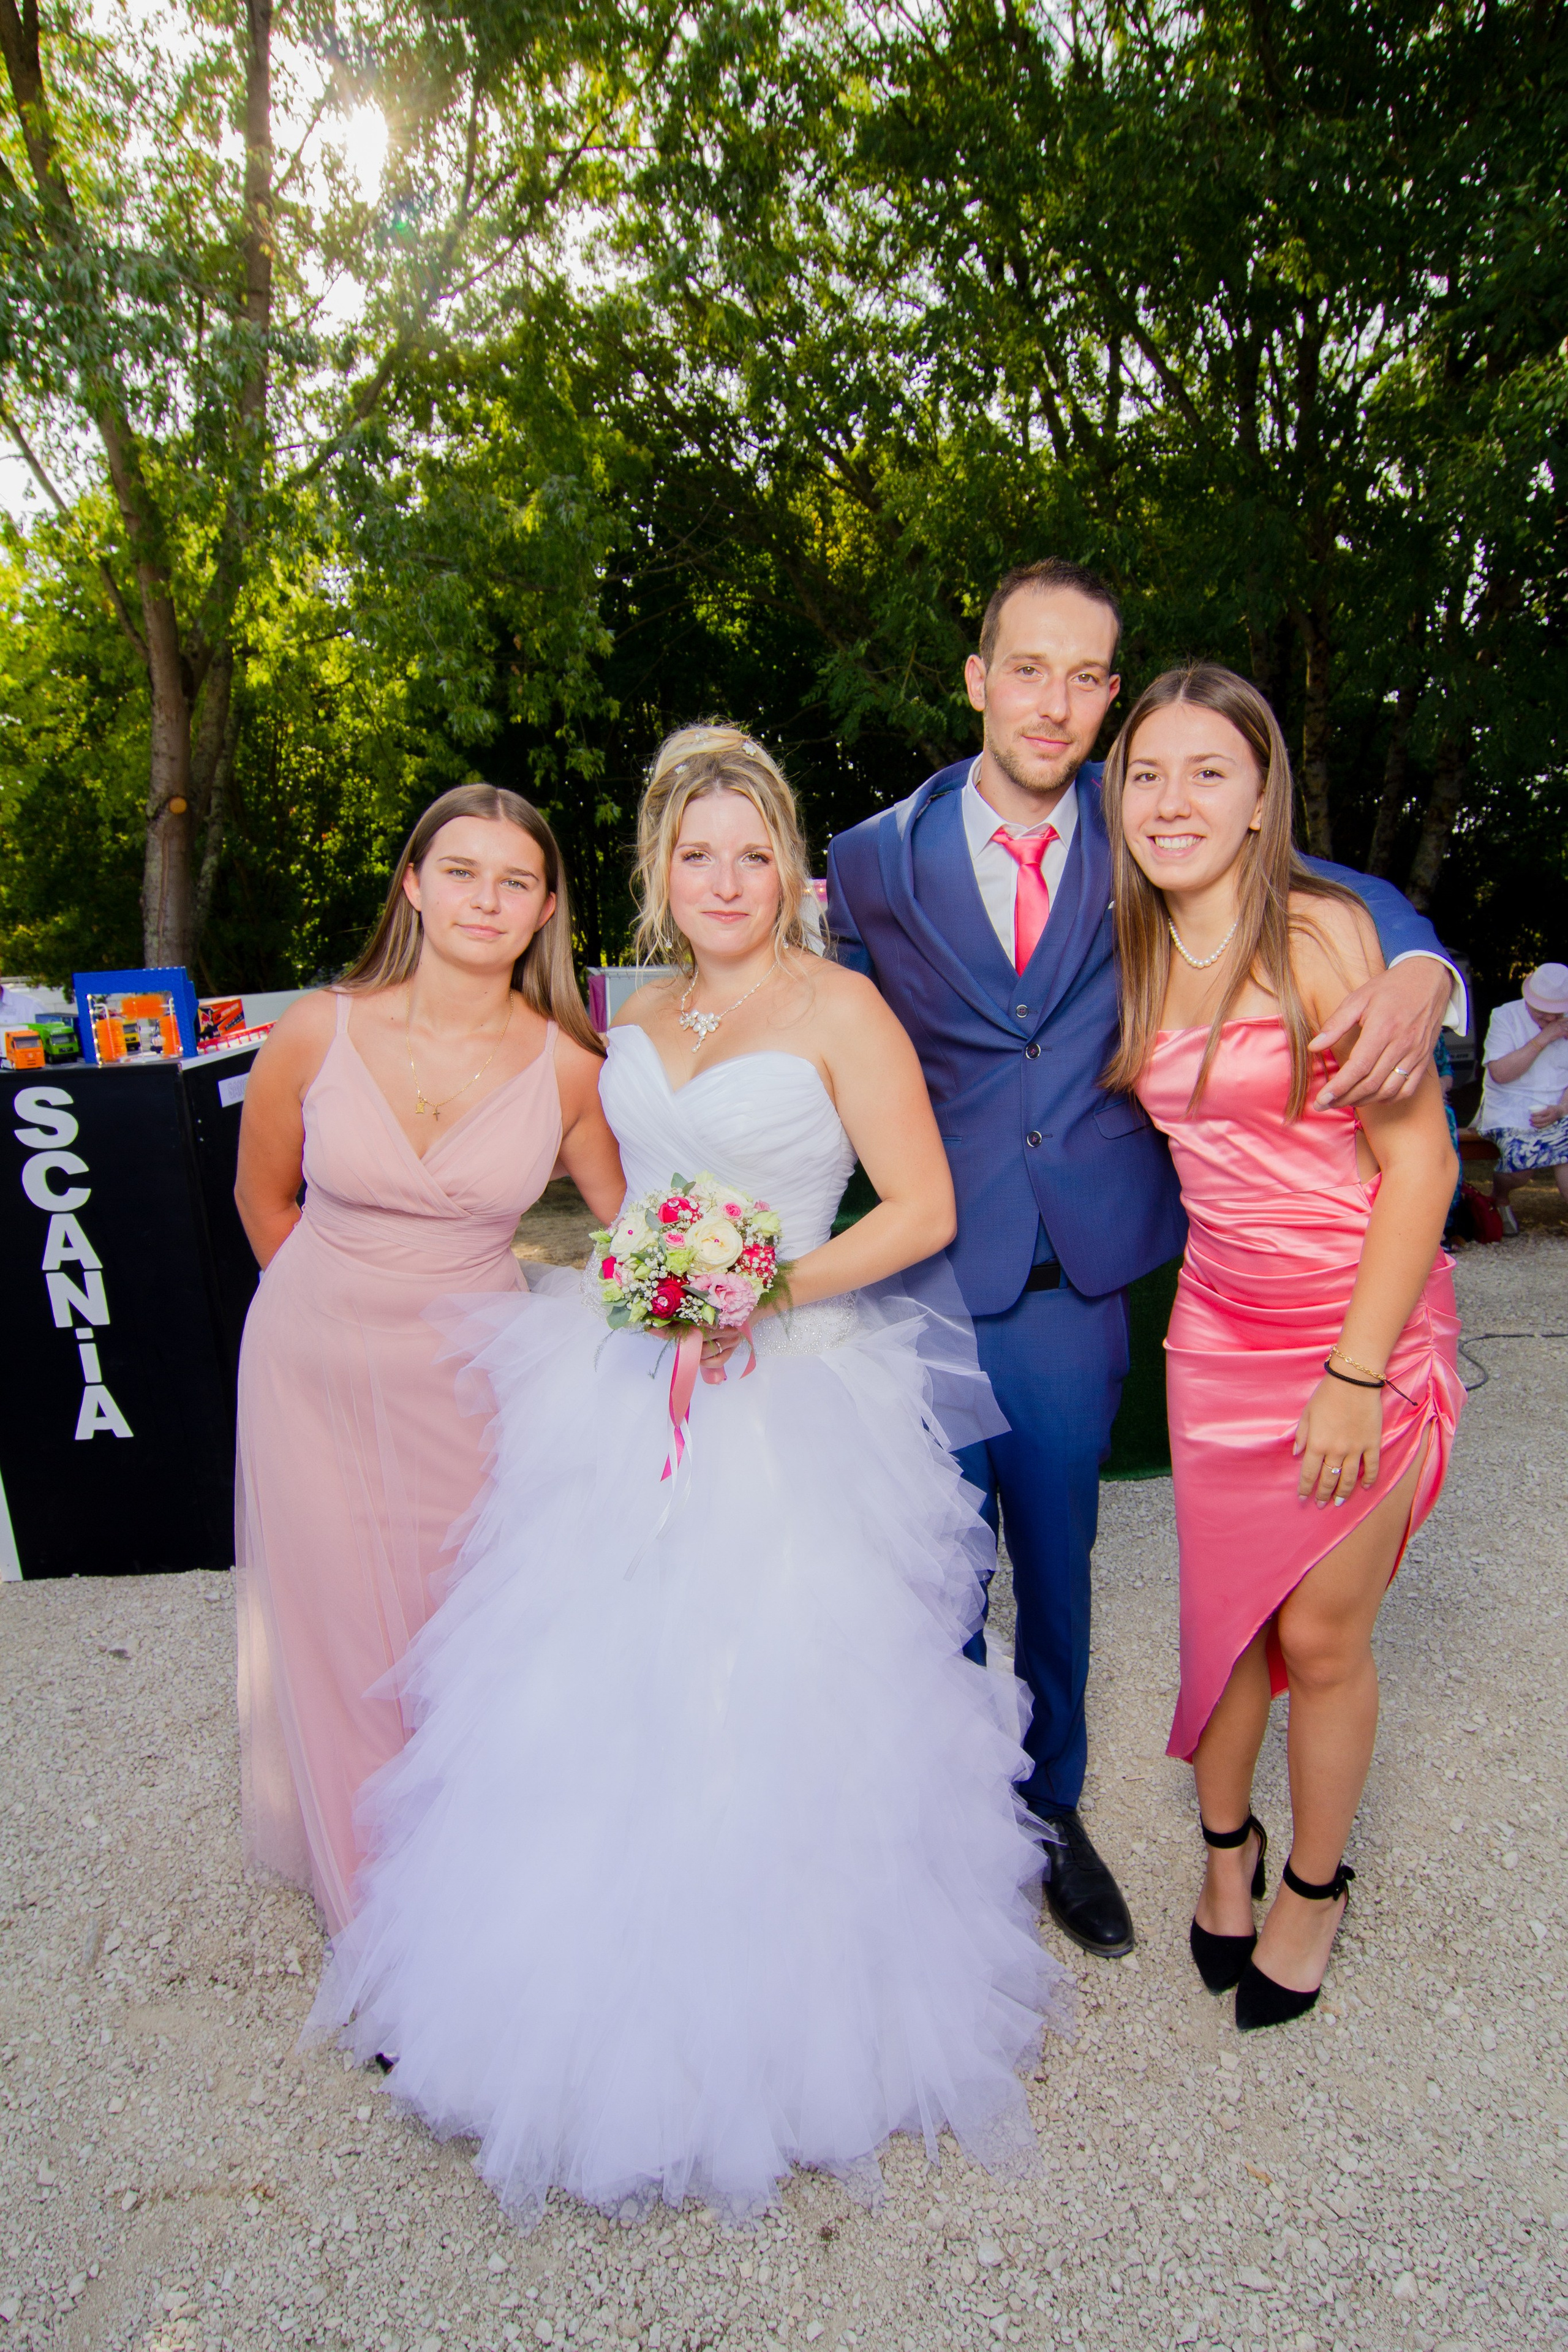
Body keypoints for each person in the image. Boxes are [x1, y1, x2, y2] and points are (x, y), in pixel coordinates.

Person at [309, 725, 1071, 2225]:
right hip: (624, 1387)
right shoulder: (629, 1013)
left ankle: (792, 2025)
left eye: (752, 849)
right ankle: (581, 1996)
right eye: (694, 850)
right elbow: (613, 1194)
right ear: (658, 869)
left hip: (785, 1390)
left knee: (779, 1693)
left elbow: (916, 1208)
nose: (725, 877)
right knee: (588, 1691)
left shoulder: (843, 1007)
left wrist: (762, 1288)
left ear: (788, 866)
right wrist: (648, 1274)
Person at [826, 558, 1466, 1958]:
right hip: (928, 1274)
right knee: (930, 1575)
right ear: (975, 676)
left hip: (1080, 1282)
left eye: (1082, 675)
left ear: (1108, 696)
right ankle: (947, 1823)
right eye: (1024, 668)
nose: (1050, 702)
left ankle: (1052, 1809)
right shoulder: (871, 858)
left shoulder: (1151, 824)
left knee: (1060, 1570)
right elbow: (816, 1021)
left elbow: (1318, 880)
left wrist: (1422, 961)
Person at [1103, 665, 1463, 2030]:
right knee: (1225, 1625)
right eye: (1146, 773)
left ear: (1262, 801)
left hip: (1350, 1329)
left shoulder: (1325, 939)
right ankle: (1222, 1858)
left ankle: (1313, 1884)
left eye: (1209, 772)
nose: (1173, 799)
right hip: (1213, 1341)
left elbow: (1421, 1172)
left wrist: (1353, 1376)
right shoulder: (1133, 944)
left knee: (1316, 1634)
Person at [232, 785, 624, 1934]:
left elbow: (635, 1234)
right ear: (412, 882)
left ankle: (463, 1874)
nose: (484, 899)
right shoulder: (319, 1027)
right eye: (460, 871)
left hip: (470, 1382)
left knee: (457, 1632)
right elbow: (264, 1201)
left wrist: (728, 1280)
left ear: (546, 908)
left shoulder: (566, 1067)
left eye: (515, 880)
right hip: (311, 1371)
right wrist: (336, 1317)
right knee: (339, 1630)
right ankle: (377, 1924)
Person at [1475, 962, 1568, 1232]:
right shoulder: (1505, 1016)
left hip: (1559, 1107)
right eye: (1543, 1013)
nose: (1551, 1019)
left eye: (1556, 1013)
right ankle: (1500, 1196)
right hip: (1509, 1107)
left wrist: (1561, 1110)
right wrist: (1544, 1038)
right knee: (1520, 1170)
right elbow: (1500, 1074)